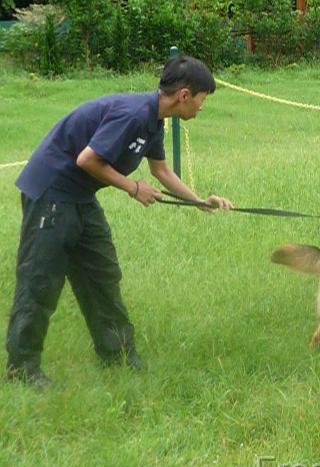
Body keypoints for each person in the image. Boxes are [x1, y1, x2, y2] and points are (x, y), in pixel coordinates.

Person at [5, 55, 234, 388]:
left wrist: (199, 201)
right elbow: (87, 159)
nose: (202, 106)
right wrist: (132, 187)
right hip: (51, 192)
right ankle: (21, 369)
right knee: (41, 279)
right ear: (185, 94)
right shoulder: (133, 114)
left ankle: (118, 356)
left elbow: (161, 171)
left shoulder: (155, 120)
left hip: (80, 197)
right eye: (202, 98)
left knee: (102, 274)